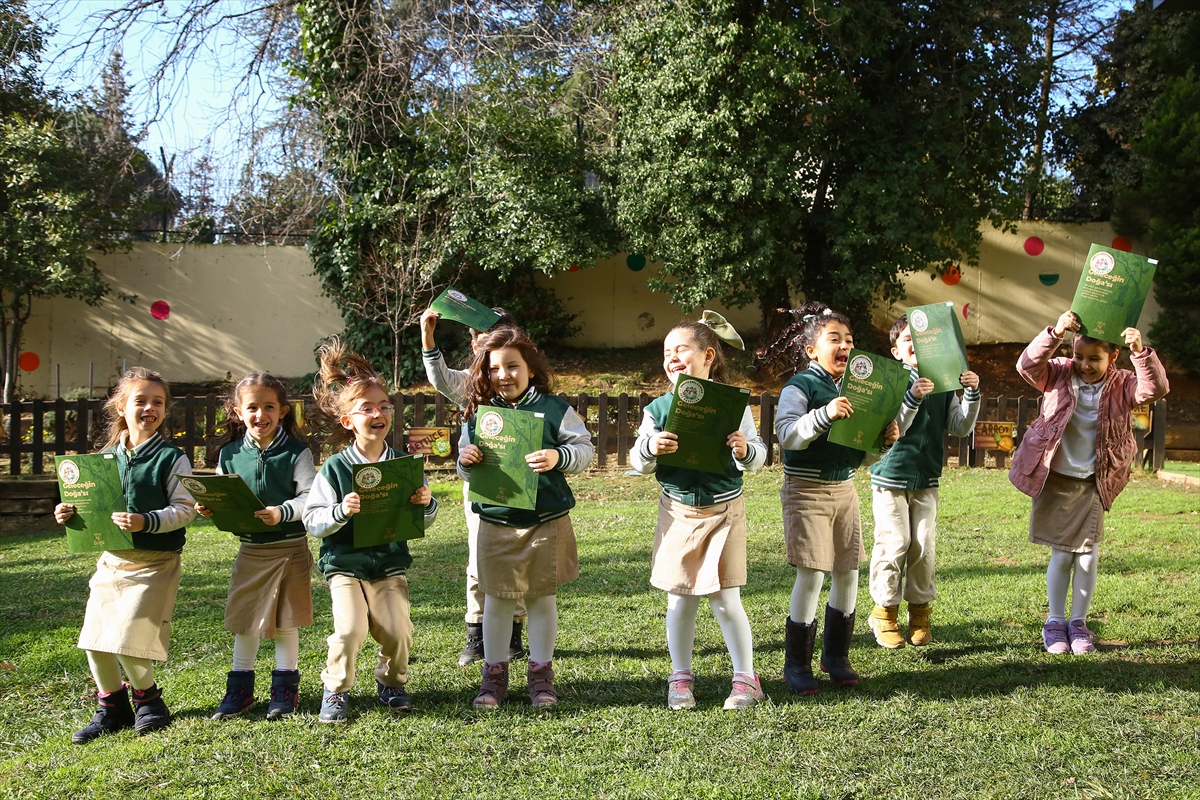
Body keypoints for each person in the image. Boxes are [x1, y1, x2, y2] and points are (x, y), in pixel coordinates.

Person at [630, 312, 768, 710]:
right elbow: (638, 462)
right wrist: (650, 448)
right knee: (680, 600)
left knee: (726, 600)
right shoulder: (657, 409)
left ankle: (746, 678)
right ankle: (680, 678)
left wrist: (745, 450)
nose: (672, 358)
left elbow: (758, 456)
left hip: (724, 510)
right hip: (676, 513)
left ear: (708, 356)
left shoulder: (731, 405)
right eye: (666, 352)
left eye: (681, 350)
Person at [1009, 311, 1168, 654]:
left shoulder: (1124, 382)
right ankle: (1054, 622)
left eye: (1094, 359)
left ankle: (1078, 624)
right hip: (1056, 477)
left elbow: (1154, 389)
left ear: (1113, 357)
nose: (1084, 364)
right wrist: (1055, 332)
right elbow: (1027, 366)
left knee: (1087, 556)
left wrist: (1141, 353)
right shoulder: (1059, 372)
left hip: (1094, 479)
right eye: (1079, 355)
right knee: (1062, 555)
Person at [54, 367, 196, 743]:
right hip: (111, 562)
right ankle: (112, 707)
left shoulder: (171, 458)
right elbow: (88, 507)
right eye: (140, 400)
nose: (149, 408)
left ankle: (150, 703)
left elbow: (185, 509)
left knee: (129, 640)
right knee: (95, 640)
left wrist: (145, 521)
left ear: (165, 410)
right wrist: (69, 513)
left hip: (154, 562)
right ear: (121, 406)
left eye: (158, 402)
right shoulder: (103, 461)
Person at [456, 325, 594, 708]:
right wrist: (465, 462)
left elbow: (584, 449)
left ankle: (541, 675)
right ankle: (494, 675)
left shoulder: (555, 410)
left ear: (530, 368)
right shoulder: (480, 415)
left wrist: (558, 457)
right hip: (496, 521)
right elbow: (464, 462)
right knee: (497, 601)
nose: (503, 375)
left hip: (545, 520)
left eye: (512, 366)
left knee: (540, 599)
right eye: (495, 368)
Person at [303, 338, 439, 723]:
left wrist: (425, 503)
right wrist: (340, 510)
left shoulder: (402, 465)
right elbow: (313, 520)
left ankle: (391, 682)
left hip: (388, 565)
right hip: (345, 564)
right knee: (350, 630)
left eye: (383, 407)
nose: (377, 413)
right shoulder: (333, 468)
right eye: (366, 409)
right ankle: (335, 690)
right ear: (348, 421)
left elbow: (424, 518)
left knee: (398, 633)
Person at [770, 303, 901, 695]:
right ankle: (796, 664)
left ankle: (836, 656)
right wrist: (824, 413)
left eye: (849, 340)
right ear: (811, 350)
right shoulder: (800, 386)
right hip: (805, 491)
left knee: (848, 572)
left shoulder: (858, 390)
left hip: (844, 490)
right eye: (834, 339)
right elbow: (788, 434)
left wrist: (883, 443)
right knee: (811, 573)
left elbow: (862, 456)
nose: (845, 345)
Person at [197, 373, 316, 720]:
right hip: (251, 551)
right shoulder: (230, 455)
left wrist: (282, 512)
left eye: (269, 407)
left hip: (290, 547)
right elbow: (224, 495)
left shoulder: (297, 451)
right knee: (245, 620)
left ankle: (284, 690)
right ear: (238, 411)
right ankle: (239, 690)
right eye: (252, 407)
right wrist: (210, 507)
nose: (260, 415)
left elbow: (309, 497)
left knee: (286, 620)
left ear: (283, 411)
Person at [419, 306, 526, 666]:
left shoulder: (523, 385)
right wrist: (428, 338)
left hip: (520, 488)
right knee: (478, 557)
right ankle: (476, 634)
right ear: (474, 340)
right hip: (478, 486)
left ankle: (513, 634)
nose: (484, 338)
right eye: (480, 332)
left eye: (495, 331)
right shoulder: (472, 385)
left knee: (517, 559)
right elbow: (439, 379)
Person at [866, 315, 981, 649]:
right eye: (907, 340)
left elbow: (959, 427)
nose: (915, 345)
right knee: (895, 542)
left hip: (927, 477)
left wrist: (971, 394)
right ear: (896, 350)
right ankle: (884, 612)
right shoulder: (890, 380)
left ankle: (920, 614)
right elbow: (892, 427)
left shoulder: (943, 381)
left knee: (923, 545)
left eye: (921, 339)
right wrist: (912, 397)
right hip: (890, 475)